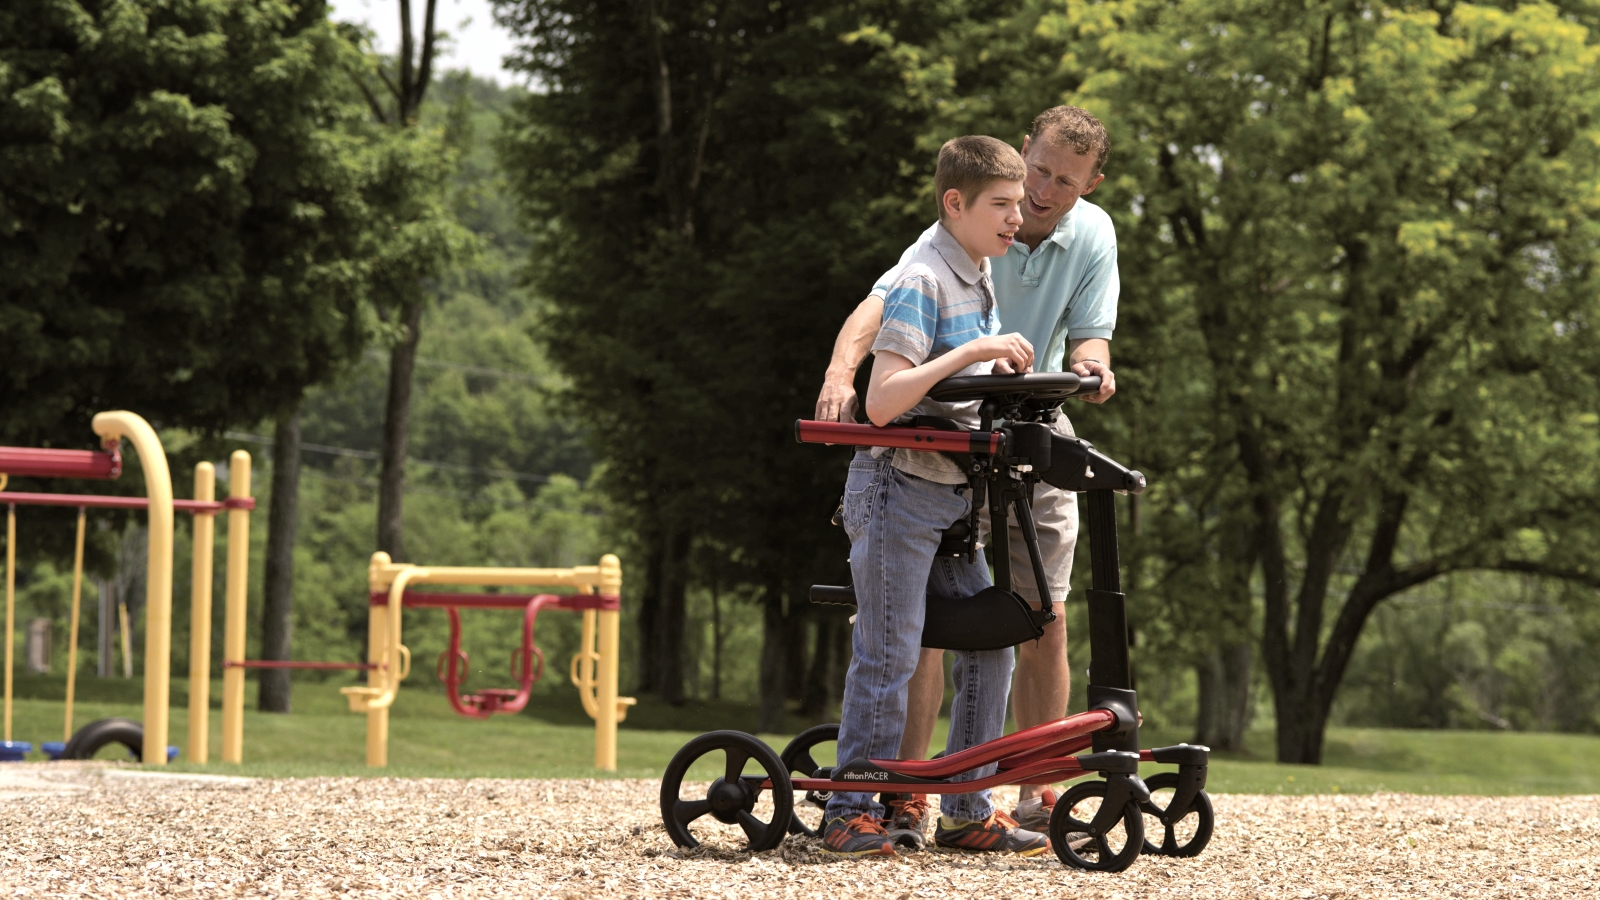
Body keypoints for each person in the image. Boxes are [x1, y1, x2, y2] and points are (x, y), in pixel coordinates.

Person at [815, 107, 1118, 848]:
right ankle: (882, 794)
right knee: (899, 638)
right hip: (918, 466)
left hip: (993, 447)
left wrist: (1092, 367)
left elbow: (1091, 336)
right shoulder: (937, 260)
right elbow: (885, 325)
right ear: (1018, 158)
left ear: (1090, 185)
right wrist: (838, 371)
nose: (1036, 199)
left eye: (1058, 184)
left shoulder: (1005, 255)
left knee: (1017, 618)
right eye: (1029, 178)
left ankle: (990, 798)